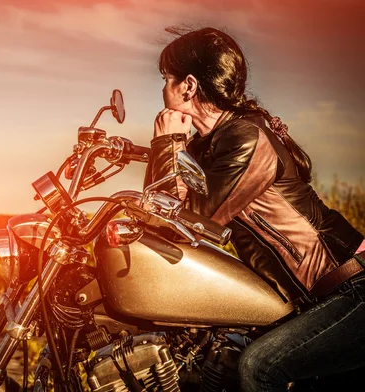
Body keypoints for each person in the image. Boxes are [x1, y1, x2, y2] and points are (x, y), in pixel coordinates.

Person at [143, 27, 365, 391]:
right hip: (319, 298)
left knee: (260, 367)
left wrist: (167, 142)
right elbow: (160, 209)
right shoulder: (206, 146)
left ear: (188, 86)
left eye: (167, 78)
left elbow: (186, 222)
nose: (163, 88)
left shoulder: (245, 137)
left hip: (351, 289)